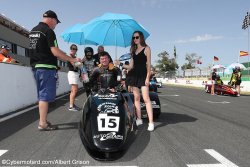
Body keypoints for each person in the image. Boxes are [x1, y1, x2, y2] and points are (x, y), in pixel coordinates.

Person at [29, 10, 81, 131]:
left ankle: (43, 120)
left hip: (36, 67)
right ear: (52, 19)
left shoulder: (33, 31)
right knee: (44, 96)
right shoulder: (48, 31)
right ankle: (42, 123)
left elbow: (49, 49)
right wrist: (71, 59)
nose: (55, 25)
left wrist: (65, 54)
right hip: (46, 67)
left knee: (42, 94)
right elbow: (54, 51)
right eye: (56, 22)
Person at [115, 31, 154, 131]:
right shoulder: (133, 50)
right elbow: (131, 66)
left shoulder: (147, 48)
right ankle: (139, 119)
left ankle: (151, 122)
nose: (135, 39)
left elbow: (149, 64)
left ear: (141, 37)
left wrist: (147, 77)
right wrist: (120, 64)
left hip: (143, 75)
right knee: (136, 98)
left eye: (137, 37)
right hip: (133, 75)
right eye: (133, 38)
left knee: (146, 99)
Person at [67, 44, 81, 111]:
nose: (74, 50)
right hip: (72, 73)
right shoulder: (69, 56)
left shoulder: (74, 56)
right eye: (73, 48)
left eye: (75, 49)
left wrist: (79, 61)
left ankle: (72, 104)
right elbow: (74, 65)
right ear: (70, 49)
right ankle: (71, 106)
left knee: (74, 90)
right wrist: (79, 62)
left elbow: (77, 66)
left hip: (75, 73)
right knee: (74, 90)